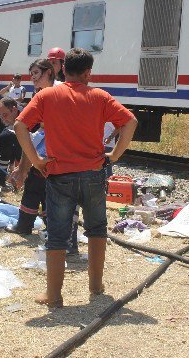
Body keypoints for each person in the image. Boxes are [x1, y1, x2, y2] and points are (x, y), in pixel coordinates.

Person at [14, 47, 138, 308]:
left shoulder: (47, 96)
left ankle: (55, 296)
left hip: (59, 176)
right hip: (93, 173)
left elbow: (20, 126)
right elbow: (130, 122)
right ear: (88, 72)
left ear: (63, 69)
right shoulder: (100, 97)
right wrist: (114, 155)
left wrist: (36, 161)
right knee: (96, 229)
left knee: (57, 235)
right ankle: (96, 286)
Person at [6, 59, 56, 235]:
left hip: (53, 147)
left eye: (36, 73)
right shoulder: (41, 93)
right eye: (32, 74)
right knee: (39, 185)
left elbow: (23, 125)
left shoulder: (53, 93)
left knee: (43, 186)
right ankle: (39, 226)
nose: (33, 77)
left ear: (49, 72)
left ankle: (28, 225)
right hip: (45, 144)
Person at [0, 97, 22, 186]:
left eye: (5, 115)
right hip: (4, 136)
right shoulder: (6, 125)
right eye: (0, 115)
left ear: (14, 110)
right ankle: (1, 180)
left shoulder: (27, 118)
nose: (3, 119)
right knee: (5, 156)